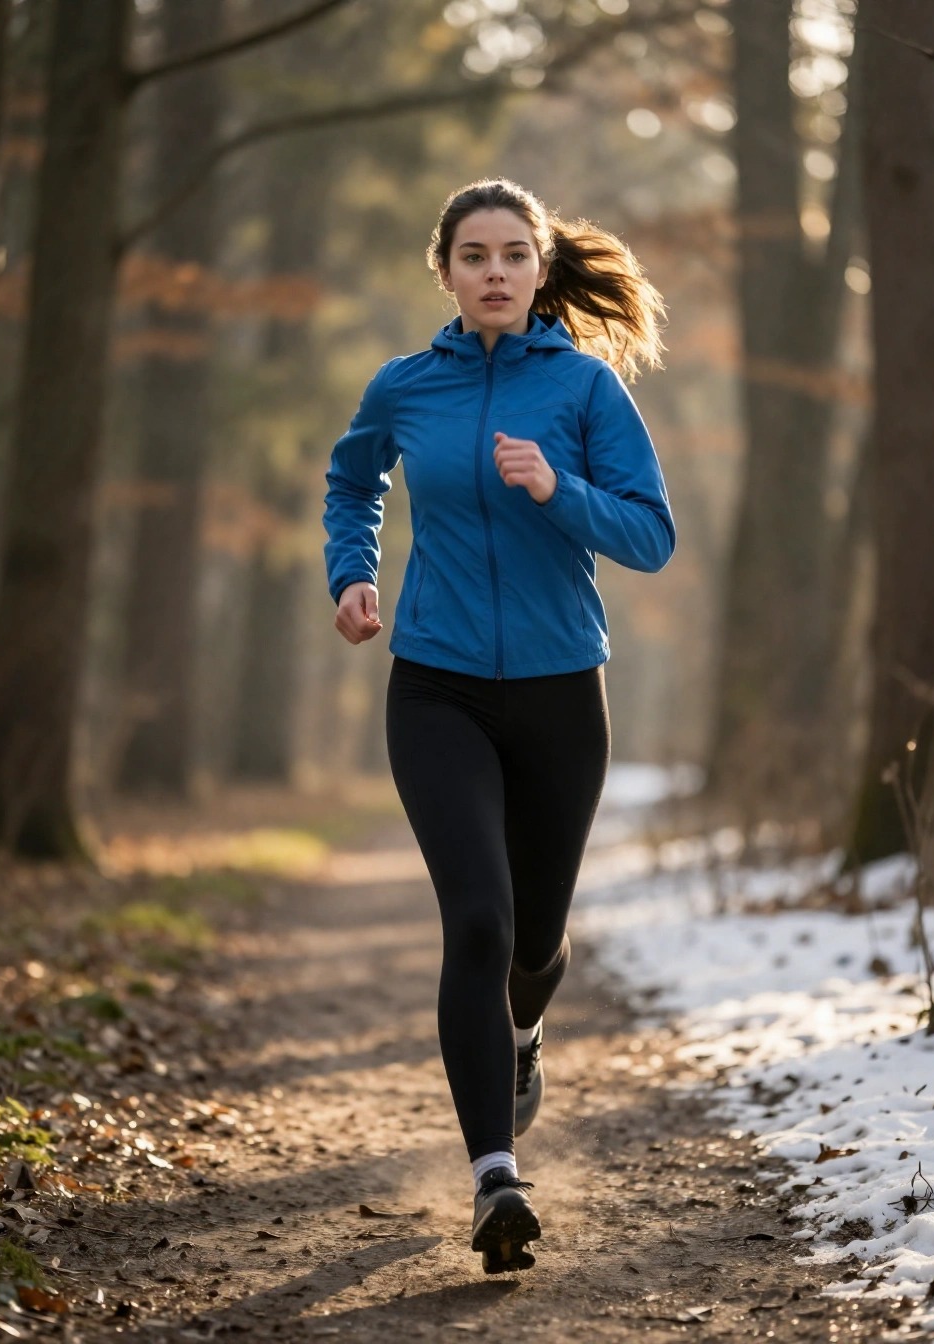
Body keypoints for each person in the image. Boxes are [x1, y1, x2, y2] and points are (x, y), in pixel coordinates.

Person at [322, 178, 675, 1274]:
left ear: (538, 268)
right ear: (444, 271)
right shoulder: (404, 386)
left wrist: (555, 488)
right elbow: (351, 481)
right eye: (471, 254)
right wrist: (353, 574)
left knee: (531, 944)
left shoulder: (584, 390)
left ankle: (522, 1033)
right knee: (476, 920)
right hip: (436, 682)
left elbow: (650, 536)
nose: (492, 271)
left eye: (512, 254)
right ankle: (493, 1179)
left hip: (563, 689)